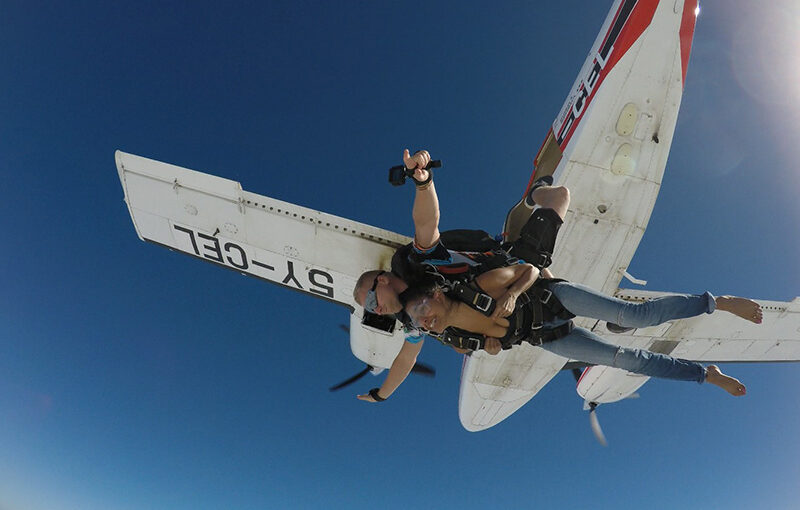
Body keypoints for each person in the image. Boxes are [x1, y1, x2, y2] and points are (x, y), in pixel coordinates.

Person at [354, 149, 570, 402]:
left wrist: (423, 183)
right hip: (519, 287)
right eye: (371, 311)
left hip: (507, 261)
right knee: (549, 283)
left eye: (372, 302)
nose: (377, 311)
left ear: (382, 280)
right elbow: (406, 358)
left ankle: (535, 192)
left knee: (559, 196)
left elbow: (426, 224)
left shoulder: (421, 262)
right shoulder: (414, 320)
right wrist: (381, 395)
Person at [402, 262, 763, 397]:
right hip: (548, 337)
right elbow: (490, 342)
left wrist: (511, 294)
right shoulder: (451, 337)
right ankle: (705, 374)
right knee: (625, 360)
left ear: (435, 294)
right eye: (418, 320)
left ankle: (718, 302)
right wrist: (490, 346)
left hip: (555, 299)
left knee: (631, 317)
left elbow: (527, 268)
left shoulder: (476, 285)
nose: (424, 320)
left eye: (422, 309)